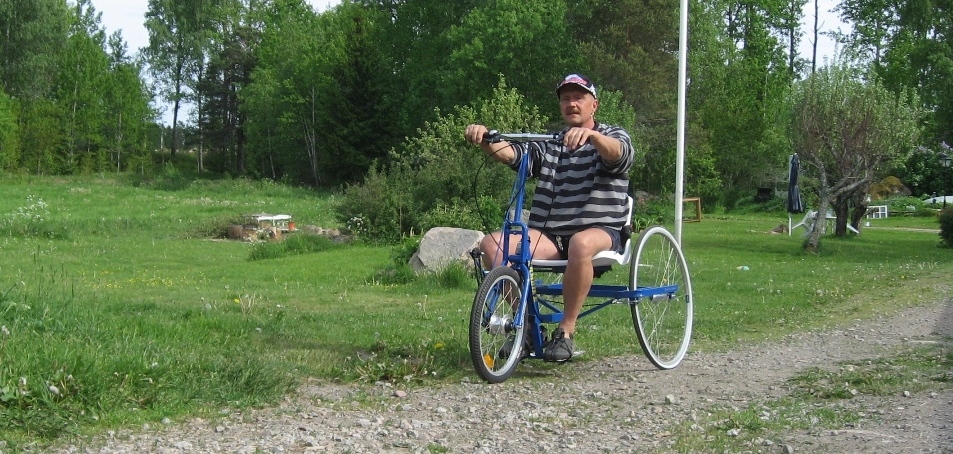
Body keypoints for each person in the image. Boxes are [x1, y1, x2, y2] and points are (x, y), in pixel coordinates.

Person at [464, 74, 634, 361]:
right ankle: (527, 329)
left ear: (594, 105)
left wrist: (592, 137)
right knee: (492, 246)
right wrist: (484, 138)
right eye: (565, 98)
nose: (571, 103)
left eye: (578, 97)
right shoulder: (551, 142)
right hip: (552, 234)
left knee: (580, 243)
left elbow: (619, 153)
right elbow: (512, 155)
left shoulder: (613, 134)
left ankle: (566, 332)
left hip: (601, 230)